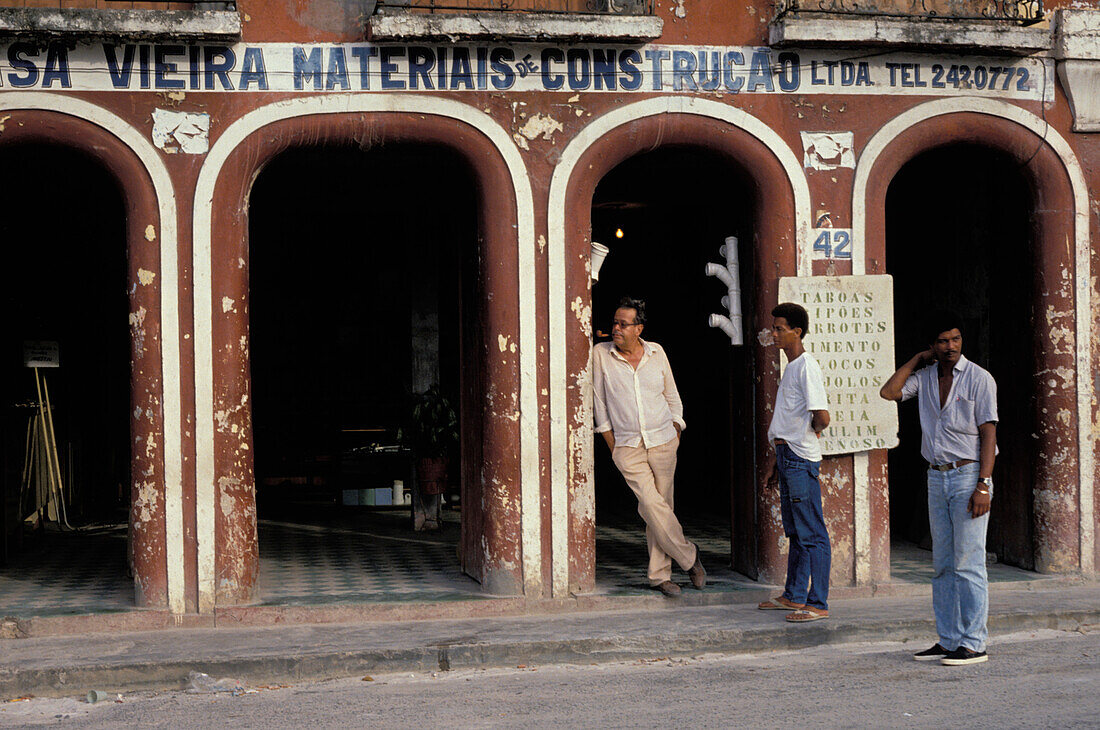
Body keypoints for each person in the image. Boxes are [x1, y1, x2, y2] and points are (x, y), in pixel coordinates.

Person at [879, 312, 997, 666]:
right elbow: (889, 392)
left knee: (969, 562)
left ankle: (974, 642)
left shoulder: (979, 379)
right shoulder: (926, 377)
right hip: (936, 475)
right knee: (943, 564)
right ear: (933, 345)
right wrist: (916, 360)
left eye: (956, 339)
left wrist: (984, 485)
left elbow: (989, 433)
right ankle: (948, 640)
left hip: (968, 476)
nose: (950, 347)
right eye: (943, 341)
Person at [592, 297, 706, 597]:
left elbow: (673, 396)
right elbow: (600, 407)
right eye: (614, 322)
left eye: (623, 324)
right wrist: (613, 445)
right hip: (627, 446)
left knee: (662, 508)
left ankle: (660, 576)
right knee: (651, 504)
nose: (616, 328)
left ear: (638, 328)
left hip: (663, 441)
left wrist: (676, 429)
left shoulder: (657, 353)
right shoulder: (601, 355)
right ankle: (689, 557)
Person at [758, 302, 832, 623]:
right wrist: (777, 460)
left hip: (801, 459)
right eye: (773, 328)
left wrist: (807, 435)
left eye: (779, 329)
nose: (773, 333)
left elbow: (822, 417)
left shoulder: (806, 367)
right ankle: (794, 595)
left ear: (796, 332)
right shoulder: (791, 367)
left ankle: (818, 603)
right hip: (788, 457)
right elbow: (788, 419)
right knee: (797, 531)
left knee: (813, 532)